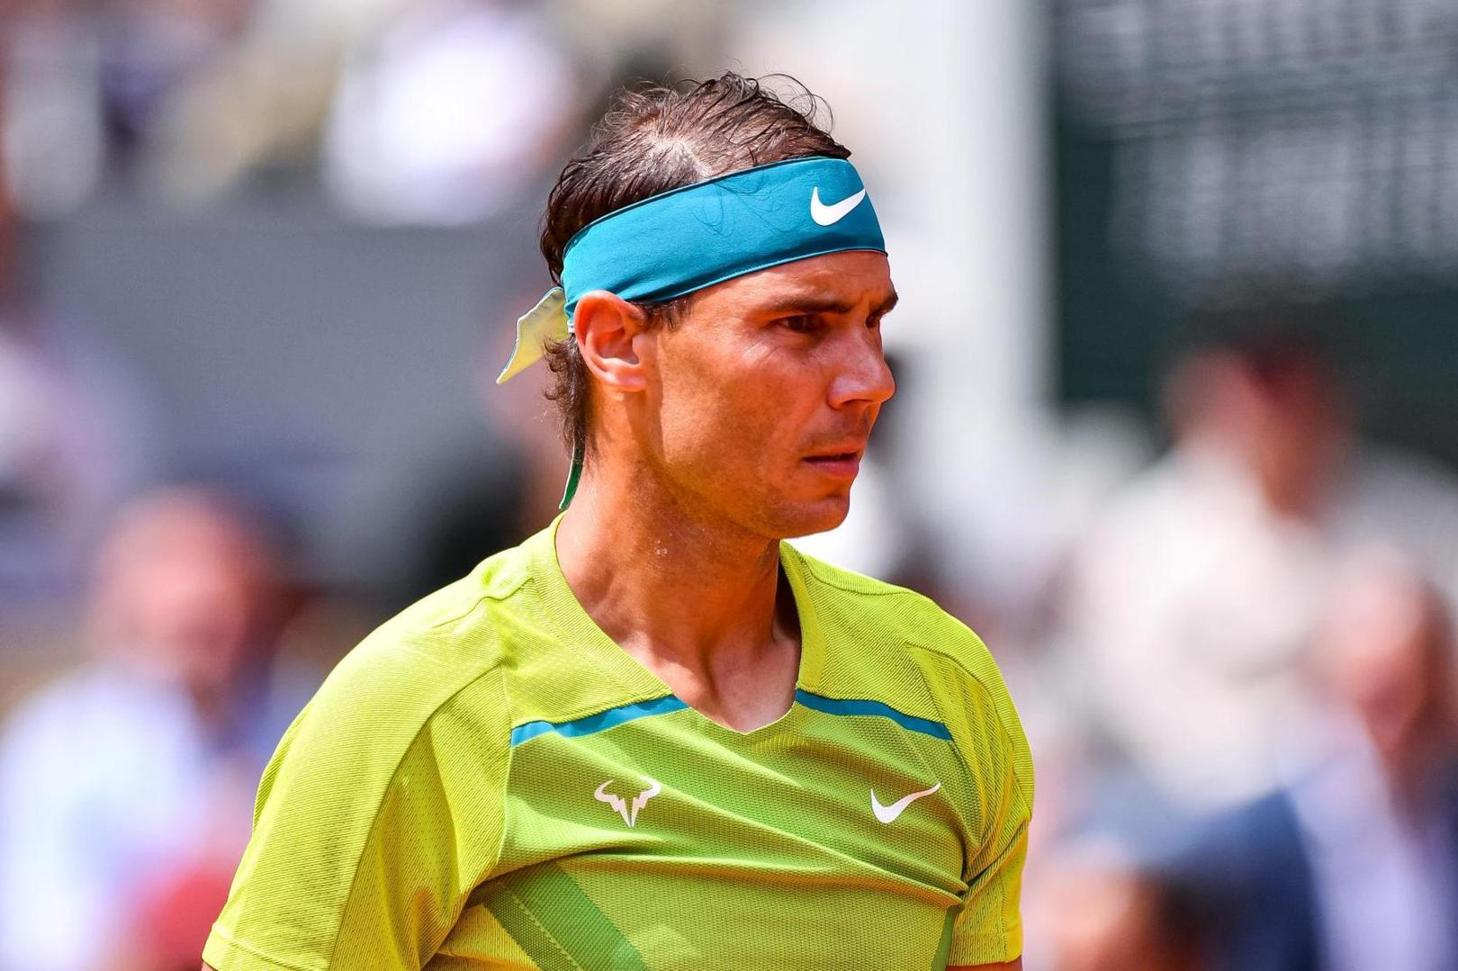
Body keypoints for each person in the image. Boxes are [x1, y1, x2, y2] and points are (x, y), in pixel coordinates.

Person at [203, 73, 1033, 970]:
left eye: (873, 323)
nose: (870, 380)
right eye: (801, 324)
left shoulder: (946, 690)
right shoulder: (416, 706)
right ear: (615, 341)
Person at [0, 485, 314, 971]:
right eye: (188, 622)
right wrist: (171, 923)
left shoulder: (309, 717)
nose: (211, 624)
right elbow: (41, 936)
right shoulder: (59, 741)